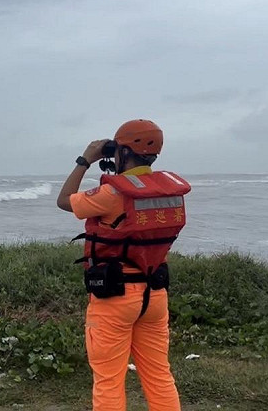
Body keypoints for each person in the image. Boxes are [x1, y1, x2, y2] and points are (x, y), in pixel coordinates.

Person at [57, 119, 191, 411]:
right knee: (159, 375)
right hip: (155, 295)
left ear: (123, 151)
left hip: (115, 298)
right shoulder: (169, 192)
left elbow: (64, 200)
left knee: (108, 381)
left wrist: (85, 160)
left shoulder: (113, 194)